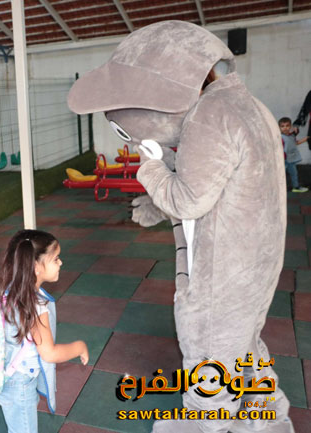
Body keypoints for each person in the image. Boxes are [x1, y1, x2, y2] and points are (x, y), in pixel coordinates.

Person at [68, 20, 293, 433]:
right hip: (255, 265)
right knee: (242, 342)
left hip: (223, 272)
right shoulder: (249, 106)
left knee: (208, 351)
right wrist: (159, 202)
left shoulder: (211, 116)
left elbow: (189, 199)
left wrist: (150, 168)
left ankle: (205, 424)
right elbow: (219, 184)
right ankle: (267, 416)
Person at [0, 229, 88, 433]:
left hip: (6, 372)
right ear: (36, 267)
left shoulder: (8, 289)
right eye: (55, 259)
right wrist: (79, 347)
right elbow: (49, 353)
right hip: (19, 383)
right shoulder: (34, 306)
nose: (60, 263)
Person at [279, 116, 309, 193]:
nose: (285, 128)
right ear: (279, 127)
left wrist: (305, 139)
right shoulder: (280, 137)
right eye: (282, 126)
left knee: (294, 173)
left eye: (287, 126)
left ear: (290, 126)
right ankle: (278, 188)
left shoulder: (291, 136)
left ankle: (296, 187)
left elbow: (295, 143)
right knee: (280, 175)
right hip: (283, 160)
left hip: (291, 159)